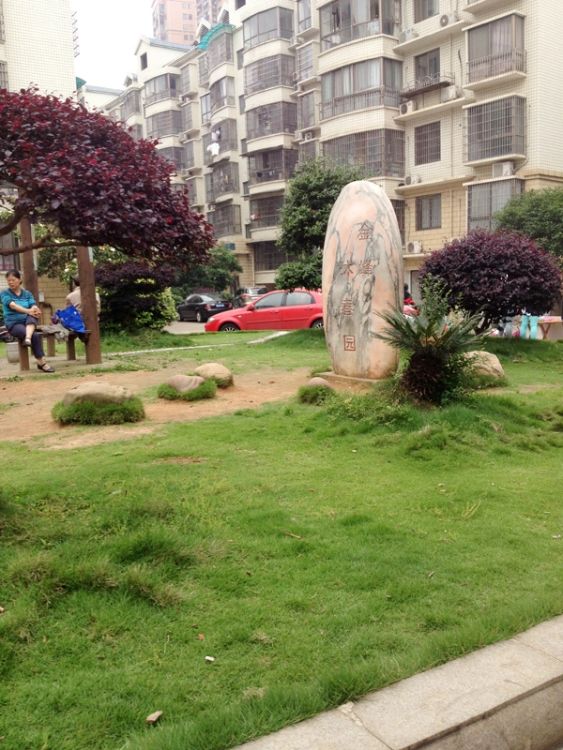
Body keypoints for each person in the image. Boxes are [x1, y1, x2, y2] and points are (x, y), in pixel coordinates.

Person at [0, 269, 55, 372]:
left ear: (19, 279)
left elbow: (32, 304)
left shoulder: (27, 293)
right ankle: (42, 363)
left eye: (13, 280)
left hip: (28, 322)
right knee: (35, 335)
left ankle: (28, 338)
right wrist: (28, 311)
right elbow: (12, 305)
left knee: (33, 316)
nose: (10, 282)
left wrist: (35, 309)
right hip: (14, 324)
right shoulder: (4, 293)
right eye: (8, 280)